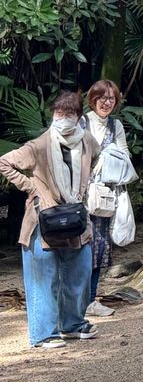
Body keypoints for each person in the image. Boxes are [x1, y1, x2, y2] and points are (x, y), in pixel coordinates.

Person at [0, 91, 98, 349]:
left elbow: (96, 161)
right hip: (43, 220)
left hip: (76, 219)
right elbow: (4, 163)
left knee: (80, 273)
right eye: (59, 113)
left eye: (69, 113)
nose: (63, 118)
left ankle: (73, 324)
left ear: (78, 116)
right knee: (43, 279)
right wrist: (31, 187)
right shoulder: (39, 145)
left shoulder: (87, 141)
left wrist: (85, 189)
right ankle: (43, 334)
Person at [82, 79, 130, 317]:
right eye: (102, 98)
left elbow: (124, 156)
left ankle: (91, 300)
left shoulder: (115, 125)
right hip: (79, 196)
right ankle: (75, 300)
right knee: (78, 247)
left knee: (99, 247)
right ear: (93, 99)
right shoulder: (82, 122)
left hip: (103, 197)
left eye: (111, 98)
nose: (107, 103)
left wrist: (106, 157)